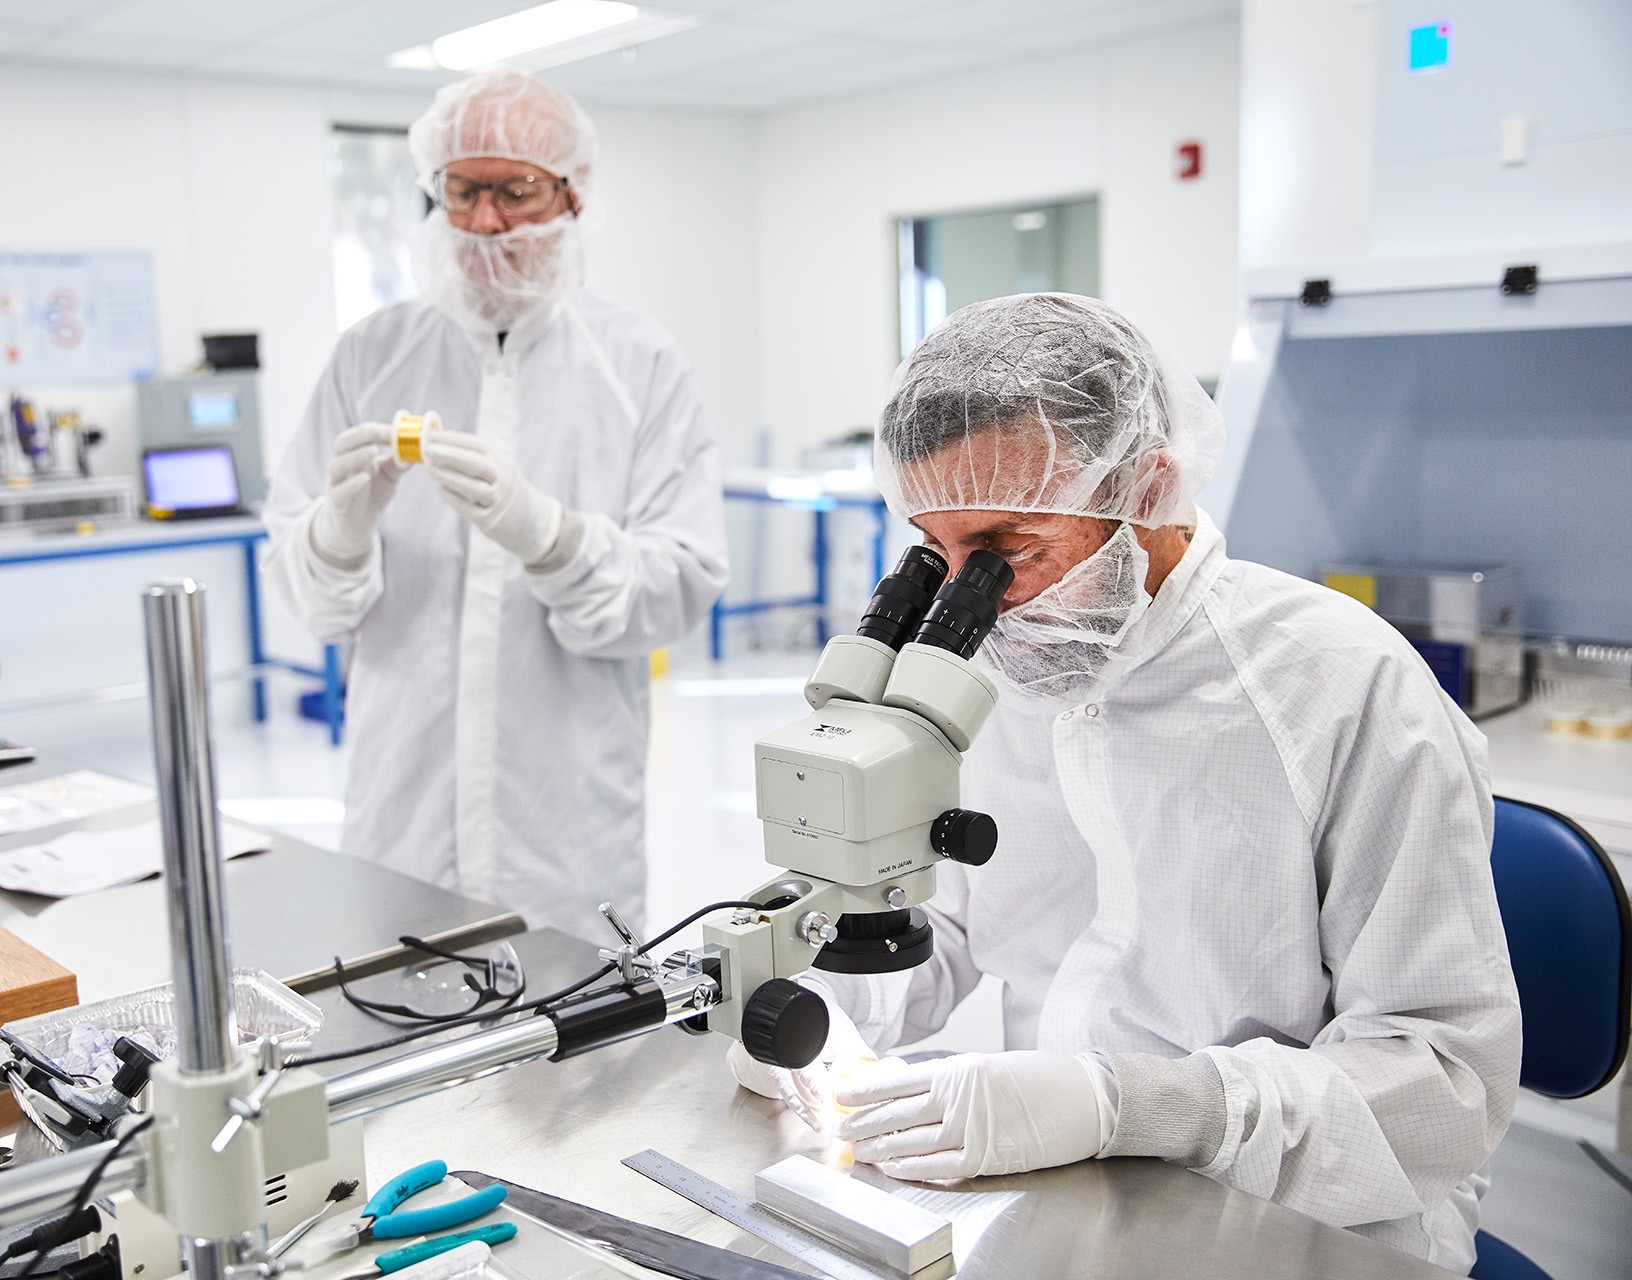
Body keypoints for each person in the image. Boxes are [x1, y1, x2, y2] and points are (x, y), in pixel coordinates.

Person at [730, 294, 1521, 1273]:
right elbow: (959, 924)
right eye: (940, 556)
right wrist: (827, 1008)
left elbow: (1442, 1086)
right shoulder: (995, 673)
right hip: (1058, 1194)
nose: (972, 602)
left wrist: (1129, 1103)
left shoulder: (1339, 686)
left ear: (1146, 490)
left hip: (1309, 1218)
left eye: (1011, 553)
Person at [265, 69, 728, 939]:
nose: (483, 223)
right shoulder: (371, 356)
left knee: (578, 1058)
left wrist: (550, 538)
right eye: (462, 191)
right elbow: (309, 599)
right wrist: (337, 533)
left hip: (567, 836)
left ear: (572, 196)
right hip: (398, 822)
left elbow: (682, 584)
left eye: (515, 192)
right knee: (396, 1037)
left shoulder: (640, 366)